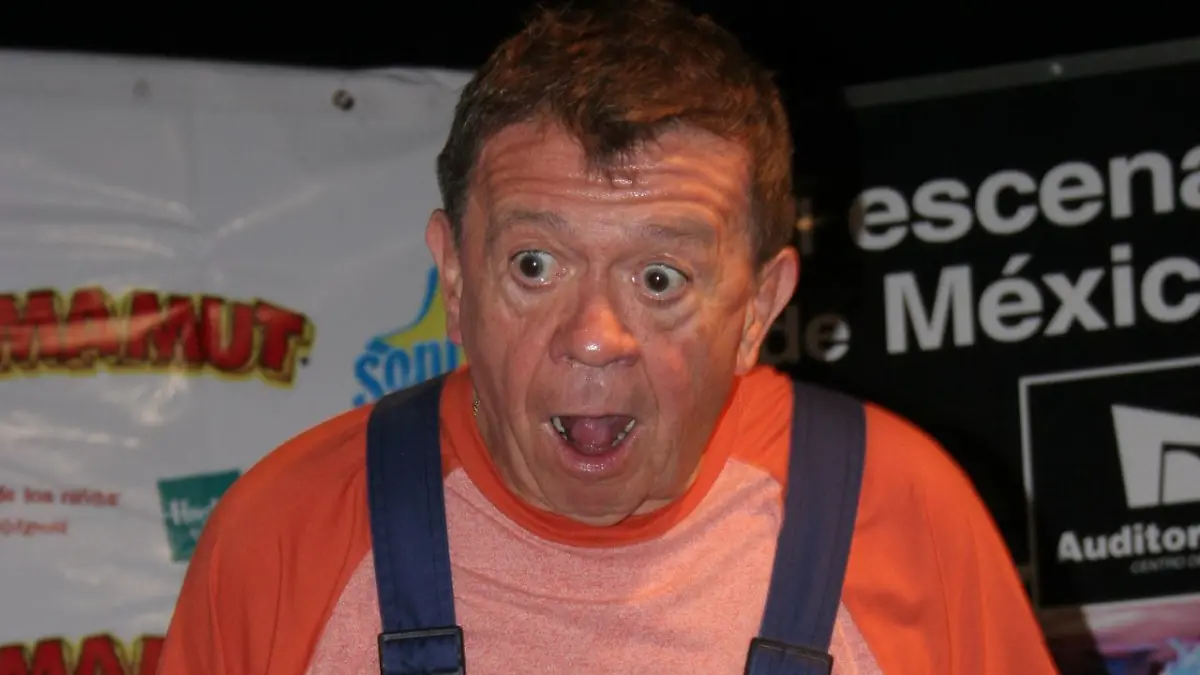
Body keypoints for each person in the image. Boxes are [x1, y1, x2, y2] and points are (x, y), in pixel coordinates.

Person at [157, 1, 1061, 673]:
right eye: (535, 265)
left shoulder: (900, 514)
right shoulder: (284, 536)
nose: (594, 338)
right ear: (456, 280)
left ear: (757, 309)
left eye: (659, 277)